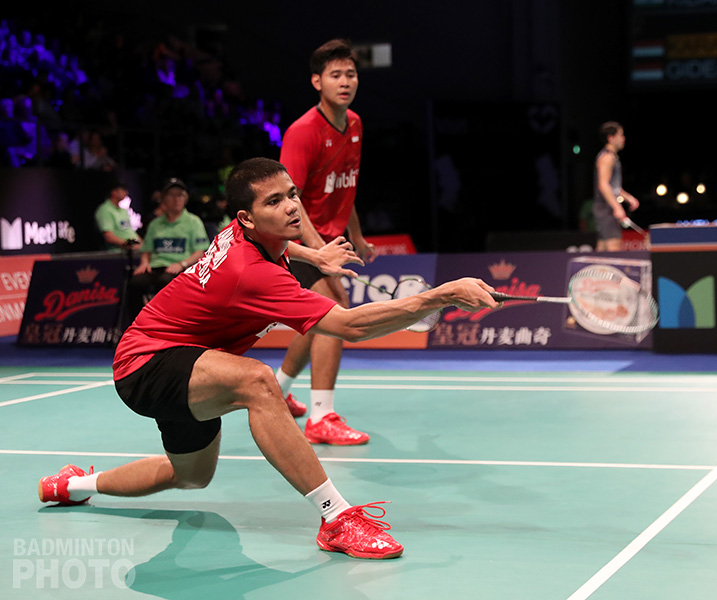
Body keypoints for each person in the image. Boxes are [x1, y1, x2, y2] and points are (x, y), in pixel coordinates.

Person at [38, 157, 499, 560]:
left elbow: (283, 241)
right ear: (247, 217)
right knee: (257, 382)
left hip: (184, 360)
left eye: (292, 194)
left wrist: (315, 255)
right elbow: (350, 327)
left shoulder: (244, 234)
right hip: (146, 362)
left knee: (190, 476)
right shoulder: (251, 272)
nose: (292, 207)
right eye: (274, 202)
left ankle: (72, 485)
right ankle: (336, 519)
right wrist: (439, 296)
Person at [276, 39, 378, 444]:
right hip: (295, 238)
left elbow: (344, 186)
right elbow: (289, 200)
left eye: (350, 74)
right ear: (317, 81)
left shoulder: (354, 124)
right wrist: (319, 253)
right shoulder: (303, 132)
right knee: (335, 311)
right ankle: (321, 417)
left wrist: (357, 236)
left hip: (328, 240)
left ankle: (278, 390)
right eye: (335, 75)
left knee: (315, 322)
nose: (345, 82)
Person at [125, 178, 210, 326]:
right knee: (134, 283)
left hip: (182, 269)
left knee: (165, 282)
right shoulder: (155, 224)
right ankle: (139, 325)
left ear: (185, 198)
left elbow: (200, 252)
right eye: (172, 195)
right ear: (163, 199)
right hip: (156, 267)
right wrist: (144, 263)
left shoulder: (193, 222)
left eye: (180, 195)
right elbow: (147, 249)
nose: (177, 199)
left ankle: (167, 326)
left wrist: (182, 264)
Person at [593, 121, 639, 251]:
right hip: (605, 208)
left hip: (606, 207)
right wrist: (617, 207)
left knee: (602, 247)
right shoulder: (607, 158)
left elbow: (613, 186)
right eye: (621, 135)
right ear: (611, 138)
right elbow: (603, 185)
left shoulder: (612, 157)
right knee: (613, 246)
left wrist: (628, 197)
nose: (623, 138)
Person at [94, 179, 142, 251]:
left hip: (134, 251)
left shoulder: (123, 211)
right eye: (123, 190)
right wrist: (131, 246)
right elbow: (109, 237)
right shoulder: (105, 210)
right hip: (119, 253)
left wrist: (143, 245)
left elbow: (130, 232)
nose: (126, 192)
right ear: (114, 192)